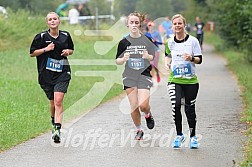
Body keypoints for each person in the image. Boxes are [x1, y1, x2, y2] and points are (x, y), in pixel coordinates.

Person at [30, 12, 74, 143]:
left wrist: (68, 52)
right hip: (46, 75)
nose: (53, 21)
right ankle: (53, 120)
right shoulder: (41, 37)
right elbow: (32, 53)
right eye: (50, 19)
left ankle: (57, 130)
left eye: (55, 19)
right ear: (47, 23)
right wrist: (46, 49)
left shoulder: (65, 35)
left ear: (59, 21)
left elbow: (71, 49)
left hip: (62, 72)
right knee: (53, 103)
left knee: (58, 101)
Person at [115, 12, 155, 140]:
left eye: (136, 22)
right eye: (131, 22)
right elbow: (117, 60)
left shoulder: (147, 39)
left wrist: (147, 56)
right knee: (134, 104)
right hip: (129, 75)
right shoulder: (123, 42)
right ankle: (139, 129)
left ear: (140, 24)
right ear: (127, 24)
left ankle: (148, 114)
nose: (133, 25)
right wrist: (123, 59)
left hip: (144, 74)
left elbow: (152, 56)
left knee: (143, 105)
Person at [165, 14, 202, 148]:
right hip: (174, 79)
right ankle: (179, 135)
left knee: (189, 109)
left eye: (180, 23)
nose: (177, 26)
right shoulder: (170, 42)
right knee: (175, 105)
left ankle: (193, 137)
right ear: (172, 26)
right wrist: (167, 63)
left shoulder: (193, 41)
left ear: (184, 25)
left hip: (191, 81)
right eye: (175, 24)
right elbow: (167, 55)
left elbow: (200, 60)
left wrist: (191, 58)